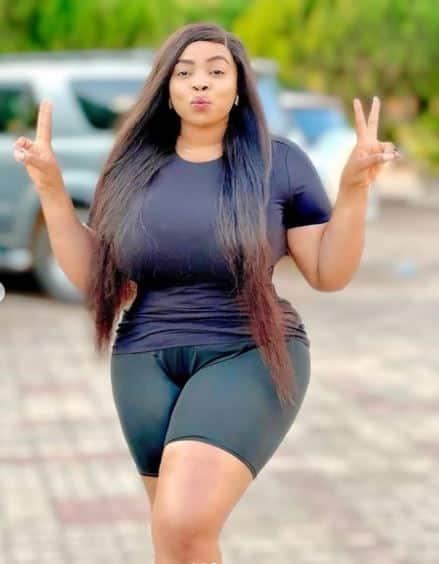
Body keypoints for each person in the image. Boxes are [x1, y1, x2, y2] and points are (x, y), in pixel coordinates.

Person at [13, 20, 400, 564]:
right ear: (166, 87)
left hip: (249, 349)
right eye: (185, 72)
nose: (200, 82)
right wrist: (52, 189)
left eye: (217, 72)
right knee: (175, 542)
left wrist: (354, 190)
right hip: (144, 358)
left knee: (183, 522)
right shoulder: (130, 167)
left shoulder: (279, 162)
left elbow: (327, 272)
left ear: (238, 87)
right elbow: (100, 278)